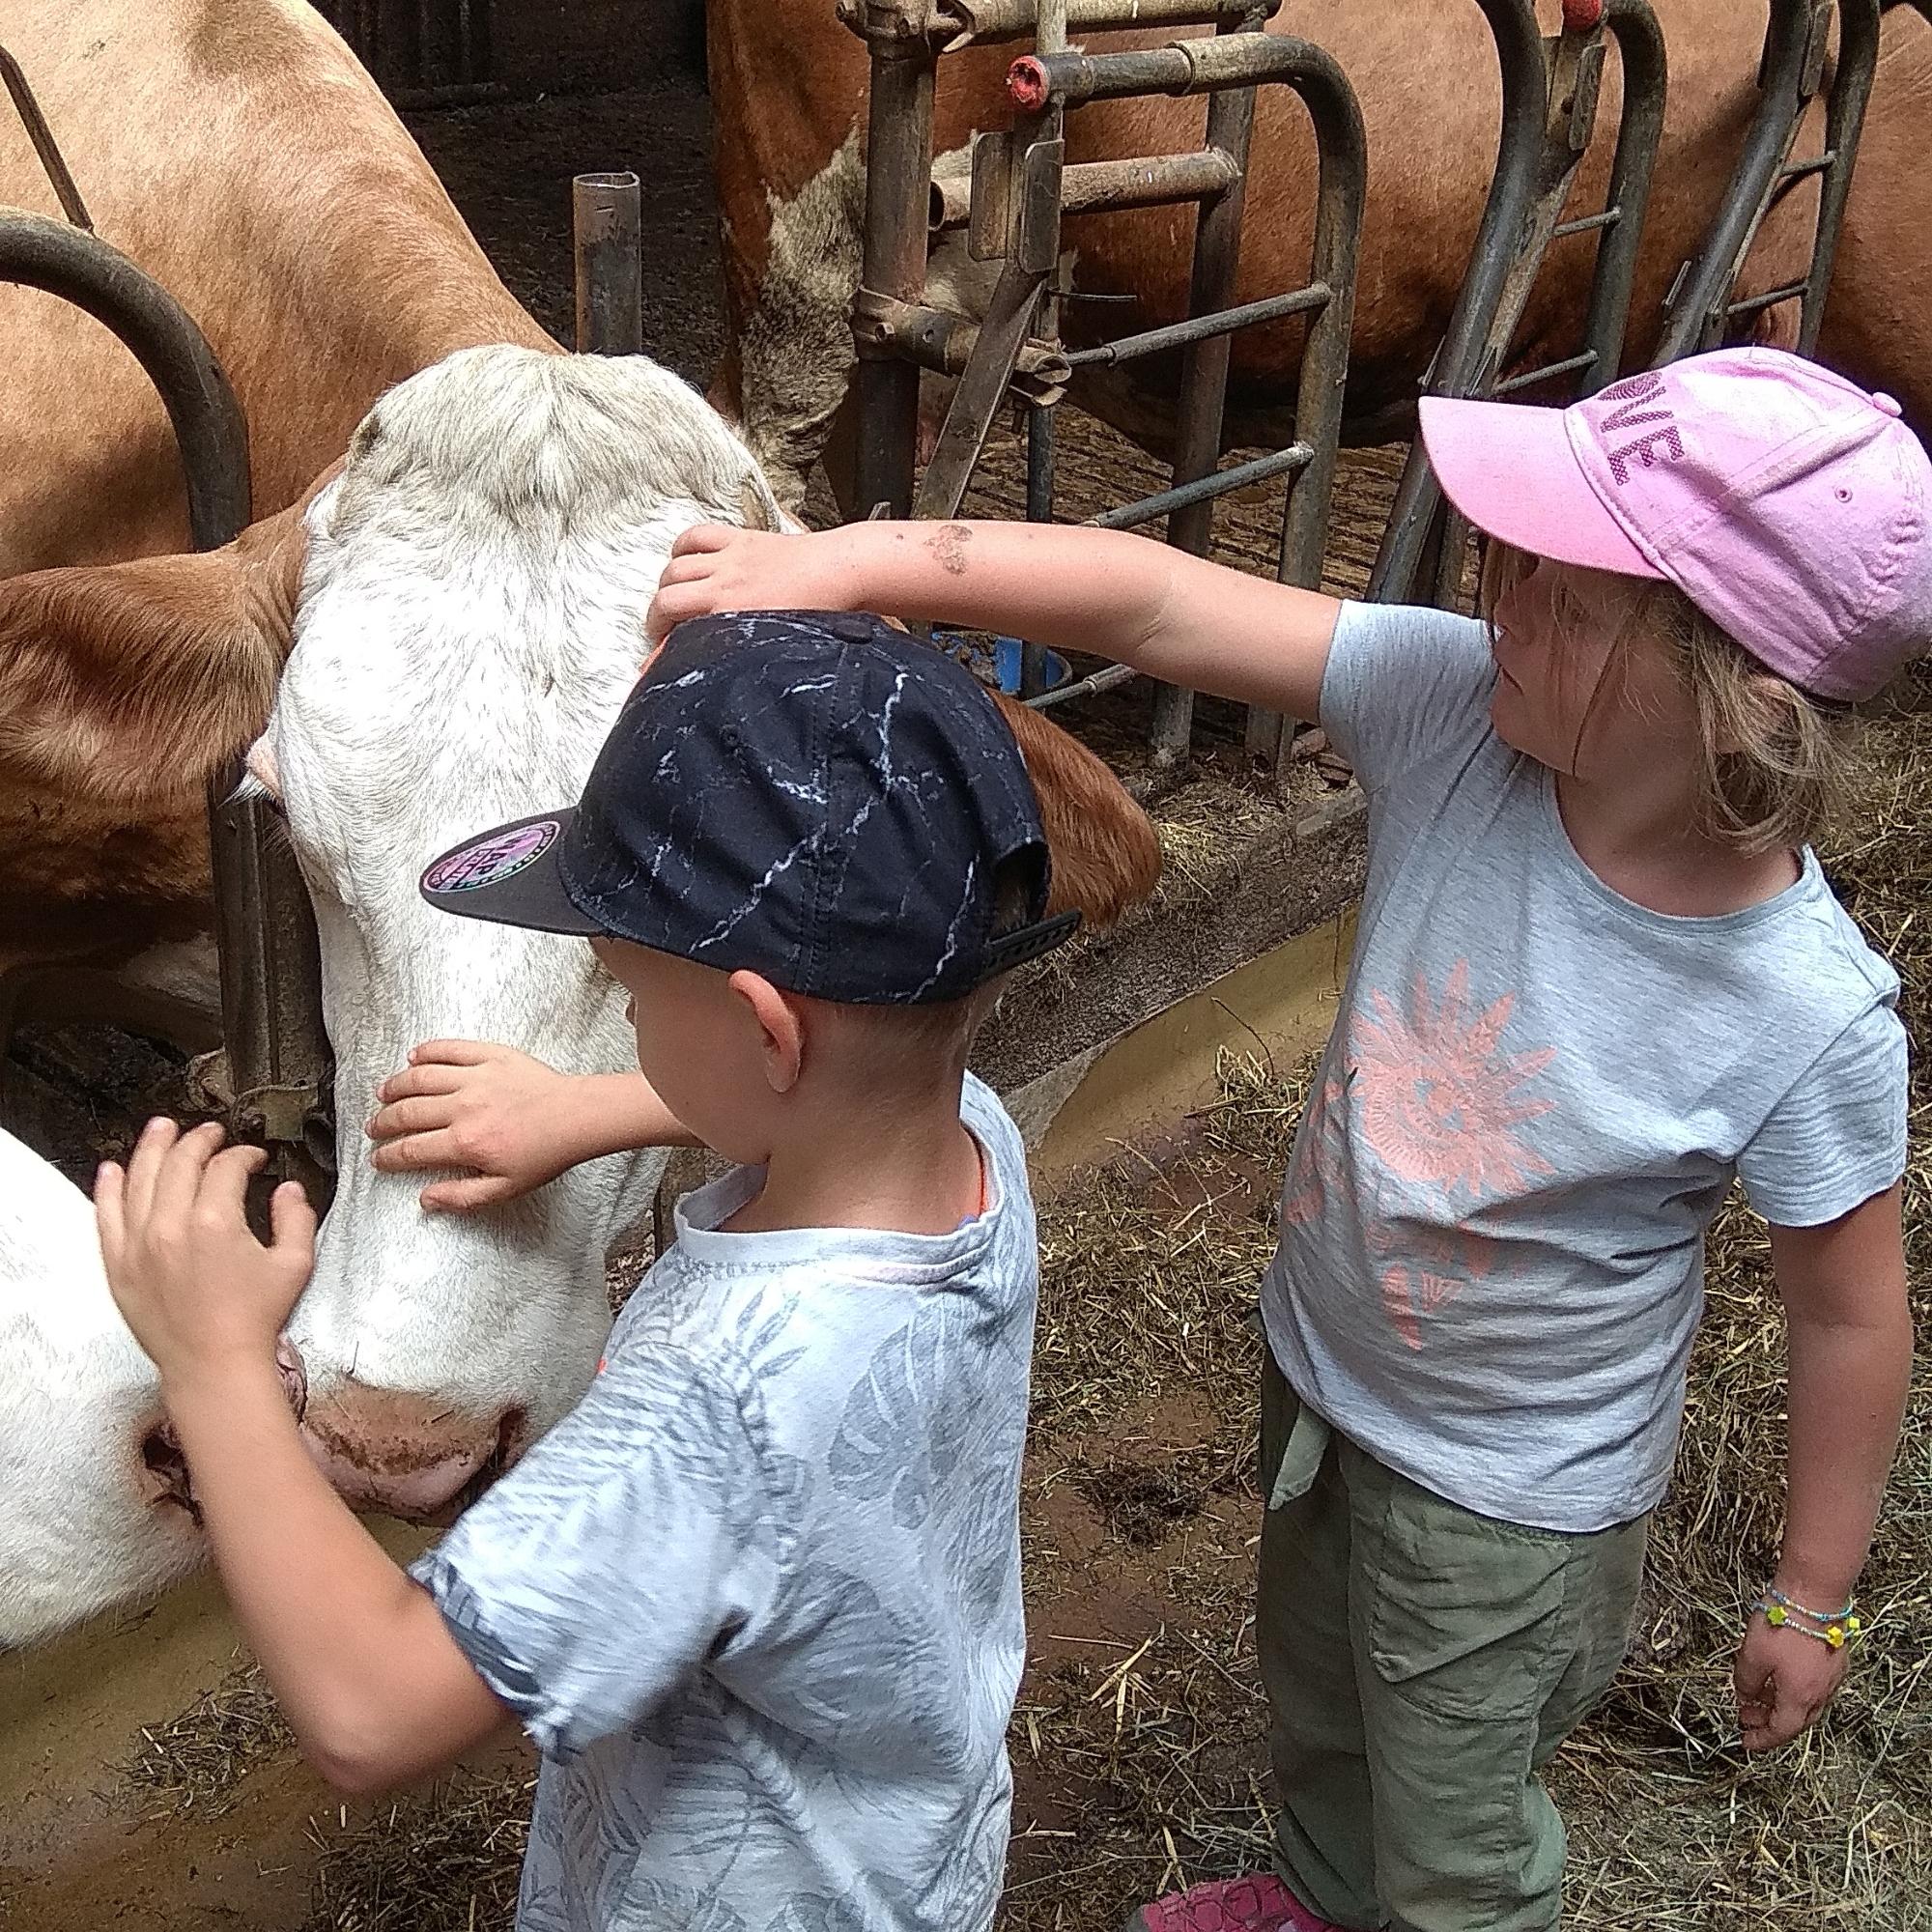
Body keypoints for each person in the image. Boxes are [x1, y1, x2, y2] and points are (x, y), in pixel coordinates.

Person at [641, 348, 1923, 1932]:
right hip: (1322, 1372)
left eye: (1557, 584)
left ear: (1744, 700)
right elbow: (1156, 602)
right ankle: (1322, 1894)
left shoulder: (1807, 1012)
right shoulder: (1465, 709)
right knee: (1320, 1703)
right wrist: (844, 561)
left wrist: (1814, 1594)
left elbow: (1849, 1312)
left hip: (1511, 1501)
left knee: (1454, 1833)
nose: (1492, 587)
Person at [96, 610, 1079, 1932]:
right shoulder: (972, 1144)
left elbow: (370, 1713)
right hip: (909, 1843)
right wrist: (595, 1108)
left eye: (623, 986)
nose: (620, 1014)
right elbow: (828, 1081)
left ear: (764, 1031)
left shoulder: (708, 1413)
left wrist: (211, 1363)